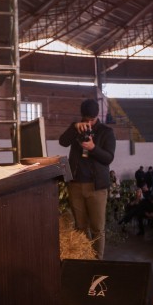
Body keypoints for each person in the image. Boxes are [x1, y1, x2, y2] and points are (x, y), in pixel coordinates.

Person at [58, 98, 116, 259]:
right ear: (82, 116)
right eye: (86, 119)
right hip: (75, 184)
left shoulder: (106, 132)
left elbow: (108, 158)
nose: (89, 122)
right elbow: (62, 142)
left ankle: (97, 261)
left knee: (97, 228)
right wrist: (74, 127)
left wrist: (93, 148)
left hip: (96, 187)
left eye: (92, 119)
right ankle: (85, 258)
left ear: (97, 116)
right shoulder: (77, 128)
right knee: (80, 226)